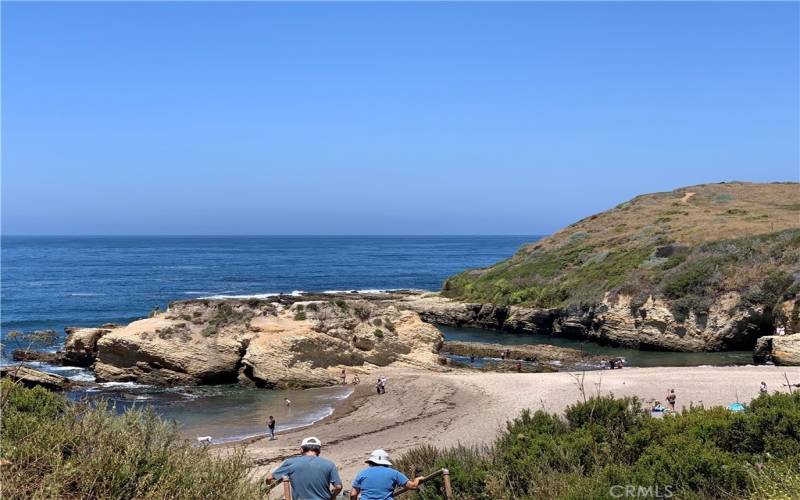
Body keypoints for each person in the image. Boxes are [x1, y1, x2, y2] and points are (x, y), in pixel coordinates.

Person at [266, 437, 342, 500]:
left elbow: (269, 478)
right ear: (319, 450)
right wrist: (332, 496)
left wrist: (267, 486)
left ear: (302, 449)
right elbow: (338, 487)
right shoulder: (329, 464)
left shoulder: (291, 463)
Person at [350, 449, 423, 500]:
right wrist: (417, 479)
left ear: (371, 462)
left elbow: (353, 494)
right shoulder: (394, 473)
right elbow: (412, 486)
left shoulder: (362, 474)